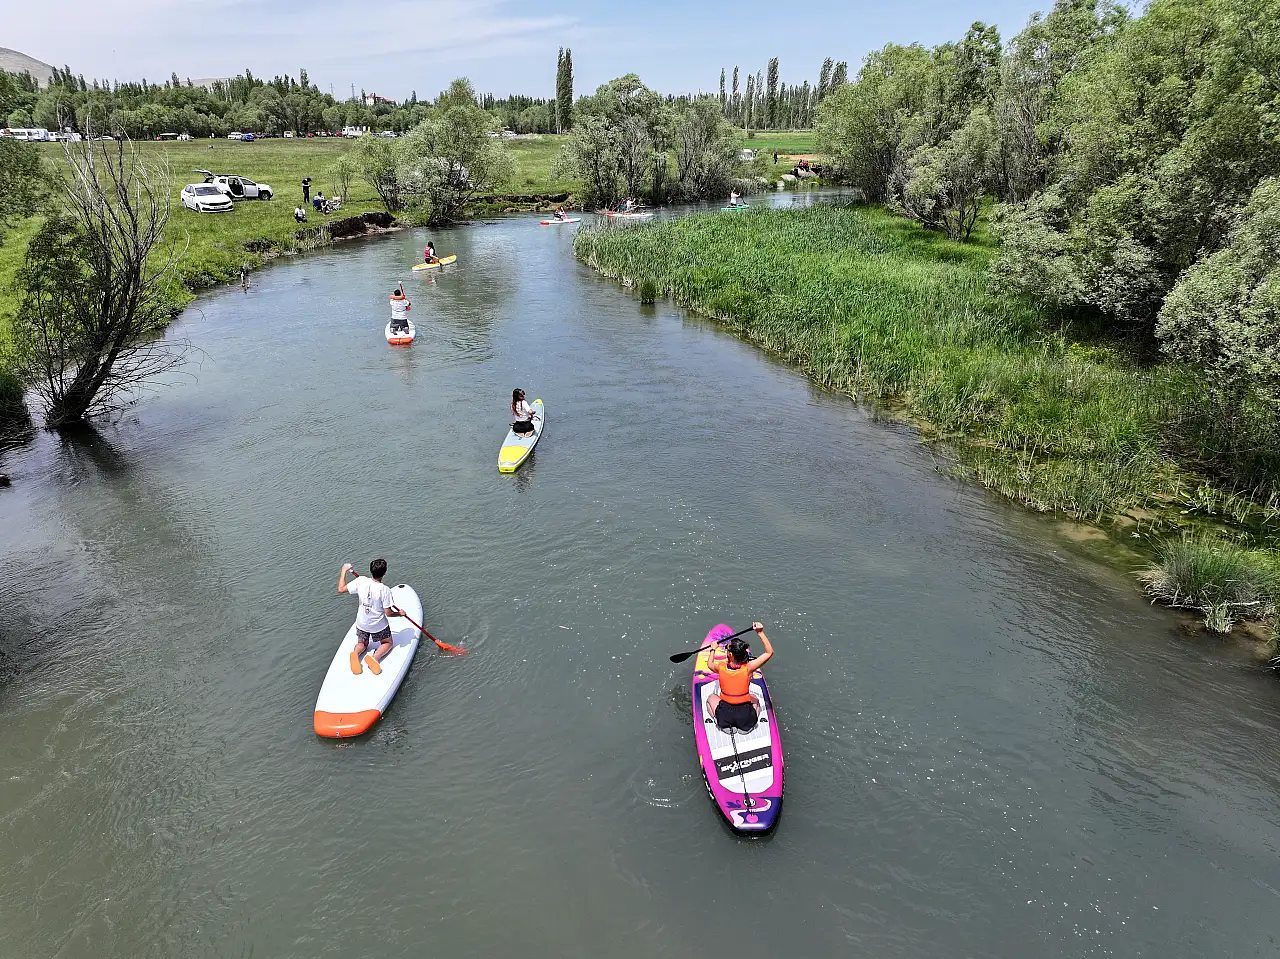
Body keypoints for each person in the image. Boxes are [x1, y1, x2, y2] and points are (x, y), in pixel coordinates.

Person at [338, 559, 404, 676]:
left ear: (371, 570)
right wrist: (400, 613)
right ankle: (375, 658)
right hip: (378, 626)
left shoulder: (361, 580)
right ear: (384, 573)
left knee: (362, 643)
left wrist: (344, 571)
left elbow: (341, 589)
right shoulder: (385, 590)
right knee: (387, 643)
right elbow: (388, 613)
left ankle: (356, 653)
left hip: (362, 623)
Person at [705, 622, 773, 732]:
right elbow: (769, 652)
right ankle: (747, 727)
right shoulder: (749, 667)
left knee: (710, 698)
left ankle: (718, 721)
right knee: (755, 698)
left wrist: (713, 649)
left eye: (727, 648)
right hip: (745, 718)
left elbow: (709, 664)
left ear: (730, 655)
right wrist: (760, 632)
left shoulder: (721, 667)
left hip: (725, 716)